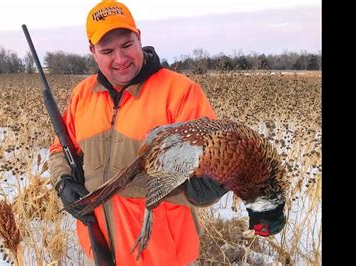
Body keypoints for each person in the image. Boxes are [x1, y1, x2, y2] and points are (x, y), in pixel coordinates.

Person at [48, 1, 226, 265]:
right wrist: (62, 181)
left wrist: (207, 185)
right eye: (107, 50)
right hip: (99, 249)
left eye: (127, 45)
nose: (120, 59)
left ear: (139, 37)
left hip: (164, 255)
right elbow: (59, 149)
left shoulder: (180, 93)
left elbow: (215, 164)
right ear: (92, 51)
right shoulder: (82, 95)